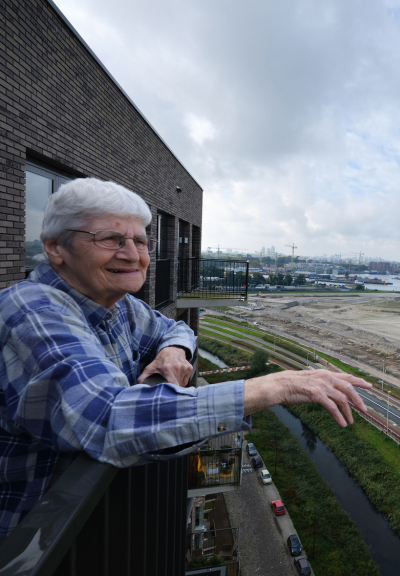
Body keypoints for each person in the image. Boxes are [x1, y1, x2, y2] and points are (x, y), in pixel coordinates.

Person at [0, 178, 370, 542]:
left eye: (140, 241)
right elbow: (106, 417)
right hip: (32, 550)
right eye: (111, 239)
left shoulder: (116, 304)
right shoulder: (31, 312)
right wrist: (271, 387)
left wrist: (172, 352)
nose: (132, 254)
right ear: (56, 247)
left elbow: (175, 328)